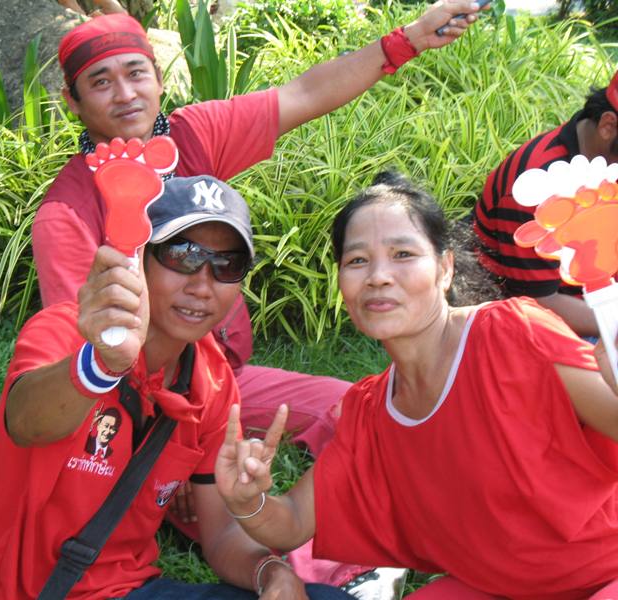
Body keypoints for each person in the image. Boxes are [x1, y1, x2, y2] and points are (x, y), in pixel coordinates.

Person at [33, 2, 486, 460]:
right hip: (134, 404)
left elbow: (304, 95)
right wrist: (169, 444)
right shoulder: (66, 212)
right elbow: (82, 357)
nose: (125, 94)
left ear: (159, 78)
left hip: (223, 380)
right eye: (101, 82)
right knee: (230, 500)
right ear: (72, 100)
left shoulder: (194, 136)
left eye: (136, 73)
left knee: (355, 408)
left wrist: (405, 40)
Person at [215, 171, 618, 599]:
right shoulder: (369, 412)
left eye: (403, 253)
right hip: (499, 588)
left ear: (445, 268)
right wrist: (248, 501)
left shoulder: (512, 333)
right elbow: (293, 519)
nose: (378, 276)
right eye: (356, 261)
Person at [0, 175, 356, 599]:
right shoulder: (66, 332)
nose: (202, 285)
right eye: (183, 255)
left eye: (227, 265)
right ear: (139, 259)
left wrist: (272, 573)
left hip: (132, 590)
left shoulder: (212, 379)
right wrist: (101, 363)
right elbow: (26, 423)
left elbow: (222, 534)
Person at [473, 69, 618, 338]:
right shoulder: (536, 183)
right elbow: (538, 303)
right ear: (608, 125)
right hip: (526, 319)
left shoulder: (610, 162)